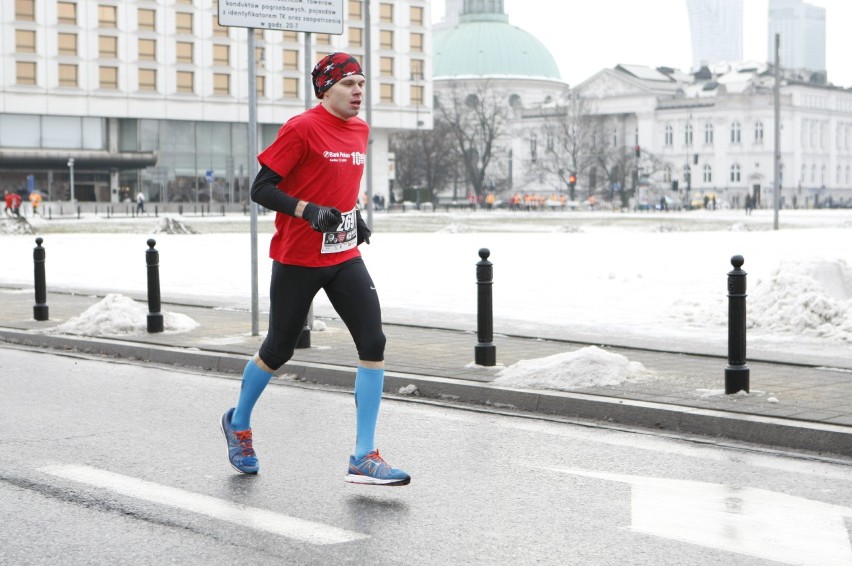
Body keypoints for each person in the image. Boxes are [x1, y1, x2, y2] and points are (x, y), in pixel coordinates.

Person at [219, 52, 410, 486]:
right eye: (348, 84)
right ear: (325, 88)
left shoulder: (360, 130)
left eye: (361, 83)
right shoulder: (301, 128)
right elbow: (261, 189)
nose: (358, 91)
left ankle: (363, 455)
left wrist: (352, 215)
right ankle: (239, 423)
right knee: (278, 350)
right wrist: (307, 210)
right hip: (298, 258)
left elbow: (340, 186)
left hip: (342, 256)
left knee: (373, 340)